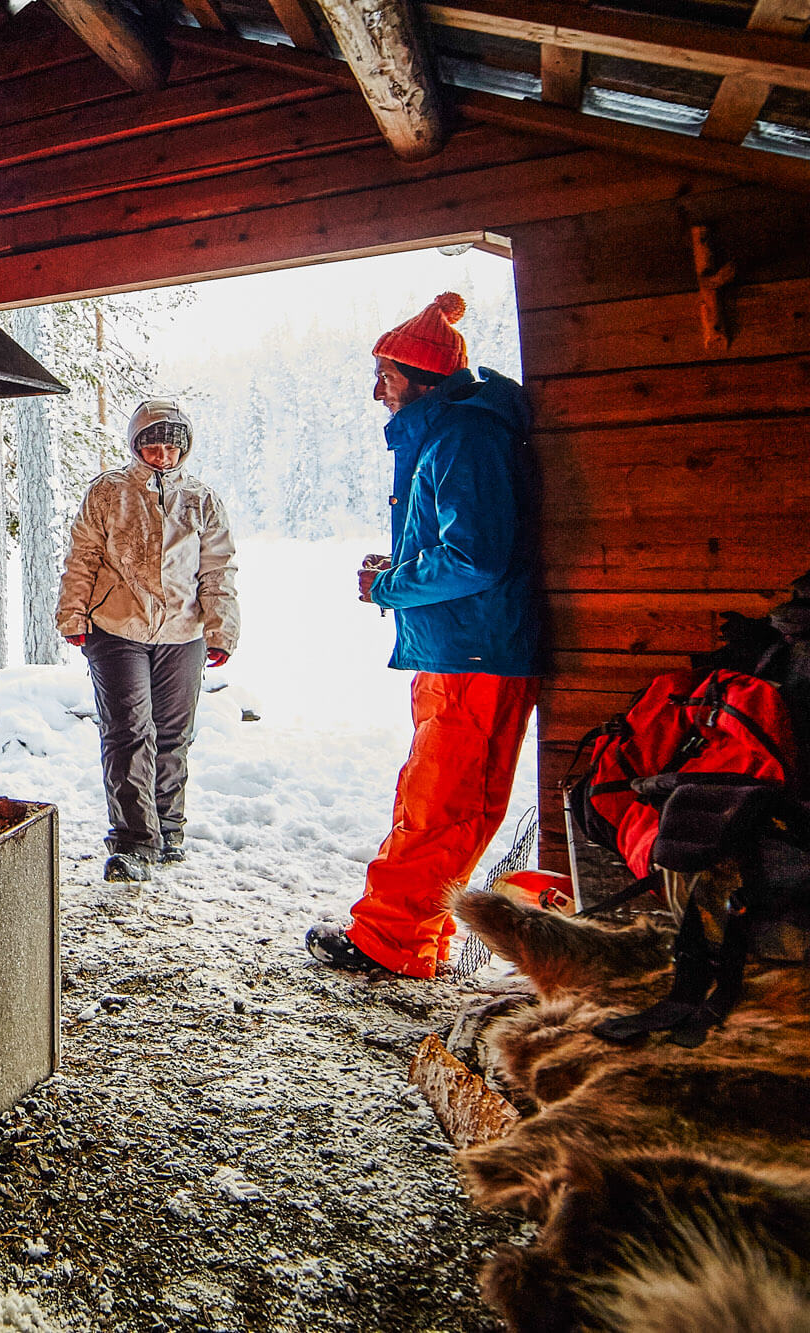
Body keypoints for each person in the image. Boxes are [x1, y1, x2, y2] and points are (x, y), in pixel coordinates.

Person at [306, 292, 541, 978]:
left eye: (384, 374)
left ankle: (386, 939)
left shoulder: (461, 437)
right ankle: (417, 936)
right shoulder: (463, 431)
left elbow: (474, 557)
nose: (377, 390)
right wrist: (401, 569)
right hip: (480, 644)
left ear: (418, 375)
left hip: (470, 647)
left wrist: (388, 585)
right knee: (459, 803)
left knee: (435, 801)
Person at [57, 399, 240, 883]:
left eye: (171, 448)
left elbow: (218, 569)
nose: (162, 456)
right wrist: (73, 612)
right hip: (116, 625)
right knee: (128, 730)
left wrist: (221, 626)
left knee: (174, 733)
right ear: (137, 446)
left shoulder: (202, 500)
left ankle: (169, 827)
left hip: (184, 630)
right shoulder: (108, 492)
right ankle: (133, 839)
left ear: (184, 450)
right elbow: (83, 556)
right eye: (153, 446)